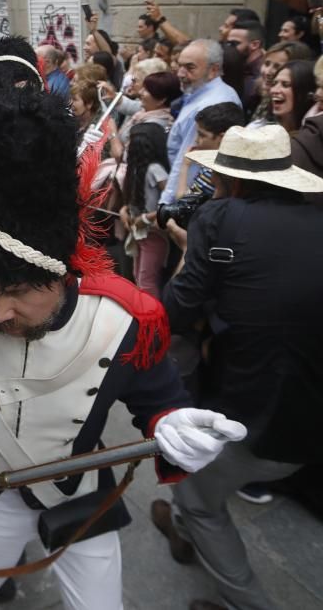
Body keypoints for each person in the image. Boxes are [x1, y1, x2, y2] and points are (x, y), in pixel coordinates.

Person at [0, 85, 243, 610]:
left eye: (19, 290)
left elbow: (157, 398)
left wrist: (171, 423)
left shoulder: (126, 318)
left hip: (81, 489)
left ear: (62, 272)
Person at [156, 124, 323, 610]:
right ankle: (185, 533)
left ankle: (248, 604)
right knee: (203, 482)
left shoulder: (219, 218)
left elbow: (176, 308)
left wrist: (190, 253)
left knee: (195, 497)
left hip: (256, 411)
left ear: (234, 180)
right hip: (305, 402)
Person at [160, 39, 242, 206]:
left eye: (190, 68)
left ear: (213, 70)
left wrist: (166, 205)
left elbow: (190, 159)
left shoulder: (210, 103)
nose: (181, 73)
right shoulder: (202, 91)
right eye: (179, 65)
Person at [118, 123, 171, 298]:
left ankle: (151, 319)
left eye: (131, 142)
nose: (127, 146)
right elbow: (133, 199)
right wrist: (125, 210)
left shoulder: (155, 170)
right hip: (139, 232)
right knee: (137, 275)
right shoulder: (135, 170)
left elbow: (171, 204)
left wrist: (147, 218)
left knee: (146, 280)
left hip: (154, 233)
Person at [247, 41, 315, 125]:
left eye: (277, 66)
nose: (268, 72)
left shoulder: (308, 121)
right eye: (267, 64)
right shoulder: (258, 97)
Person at [225, 20, 265, 113]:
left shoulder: (262, 74)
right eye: (228, 43)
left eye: (234, 44)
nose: (229, 48)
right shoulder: (236, 65)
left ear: (254, 45)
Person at [267, 60, 317, 134]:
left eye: (285, 85)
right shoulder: (264, 128)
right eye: (274, 83)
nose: (274, 90)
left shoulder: (313, 135)